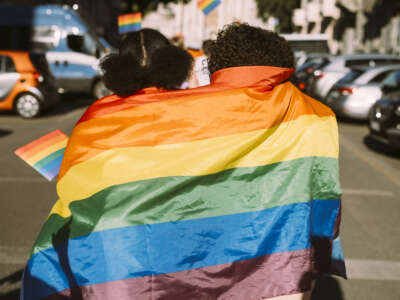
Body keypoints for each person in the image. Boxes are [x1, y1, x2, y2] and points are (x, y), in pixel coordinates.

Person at [21, 24, 345, 300]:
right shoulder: (210, 111)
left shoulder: (97, 117)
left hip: (115, 266)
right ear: (174, 68)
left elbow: (75, 187)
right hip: (232, 270)